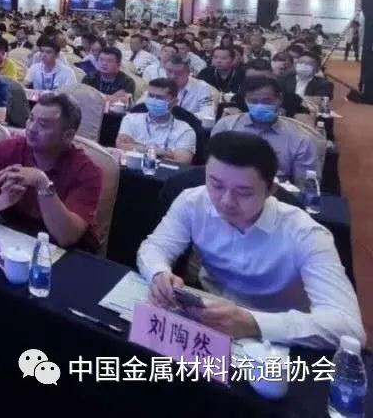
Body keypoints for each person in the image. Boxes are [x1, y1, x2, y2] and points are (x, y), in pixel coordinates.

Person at [137, 131, 363, 348]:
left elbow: (348, 327)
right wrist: (158, 273)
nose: (226, 201)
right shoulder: (192, 202)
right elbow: (155, 246)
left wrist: (252, 323)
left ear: (271, 189)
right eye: (216, 184)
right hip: (207, 314)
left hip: (276, 334)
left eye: (243, 192)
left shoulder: (305, 233)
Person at [0, 94, 102, 251]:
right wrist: (3, 200)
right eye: (31, 119)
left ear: (68, 136)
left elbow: (66, 237)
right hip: (16, 240)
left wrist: (41, 182)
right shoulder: (9, 149)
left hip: (67, 254)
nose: (31, 128)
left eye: (43, 125)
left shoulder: (87, 171)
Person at [212, 75, 319, 184]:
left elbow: (305, 184)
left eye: (267, 101)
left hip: (276, 189)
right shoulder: (227, 126)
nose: (260, 106)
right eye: (253, 101)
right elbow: (213, 167)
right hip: (229, 185)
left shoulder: (299, 138)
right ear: (245, 100)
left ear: (280, 99)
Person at [116, 78, 196, 164]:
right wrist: (163, 153)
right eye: (150, 96)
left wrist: (136, 147)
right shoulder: (130, 119)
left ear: (174, 102)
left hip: (165, 172)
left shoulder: (185, 131)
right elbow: (121, 146)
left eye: (159, 97)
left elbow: (181, 162)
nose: (153, 100)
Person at [233, 59, 308, 118]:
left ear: (274, 78)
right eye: (252, 79)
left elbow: (304, 119)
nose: (258, 84)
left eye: (263, 79)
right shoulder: (238, 100)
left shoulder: (292, 99)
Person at [160, 56, 216, 125]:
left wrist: (183, 116)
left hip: (189, 127)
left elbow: (208, 116)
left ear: (189, 73)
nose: (172, 76)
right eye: (169, 71)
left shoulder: (202, 88)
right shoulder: (160, 84)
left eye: (178, 73)